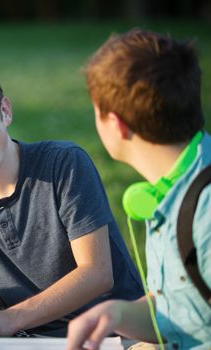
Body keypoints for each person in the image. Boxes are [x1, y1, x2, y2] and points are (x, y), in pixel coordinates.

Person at [0, 63, 143, 338]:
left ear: (5, 110)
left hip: (110, 333)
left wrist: (10, 319)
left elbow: (97, 273)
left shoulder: (63, 164)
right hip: (24, 338)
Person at [66, 29, 211, 350]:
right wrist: (118, 314)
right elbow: (190, 312)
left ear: (115, 124)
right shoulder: (172, 187)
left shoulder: (206, 211)